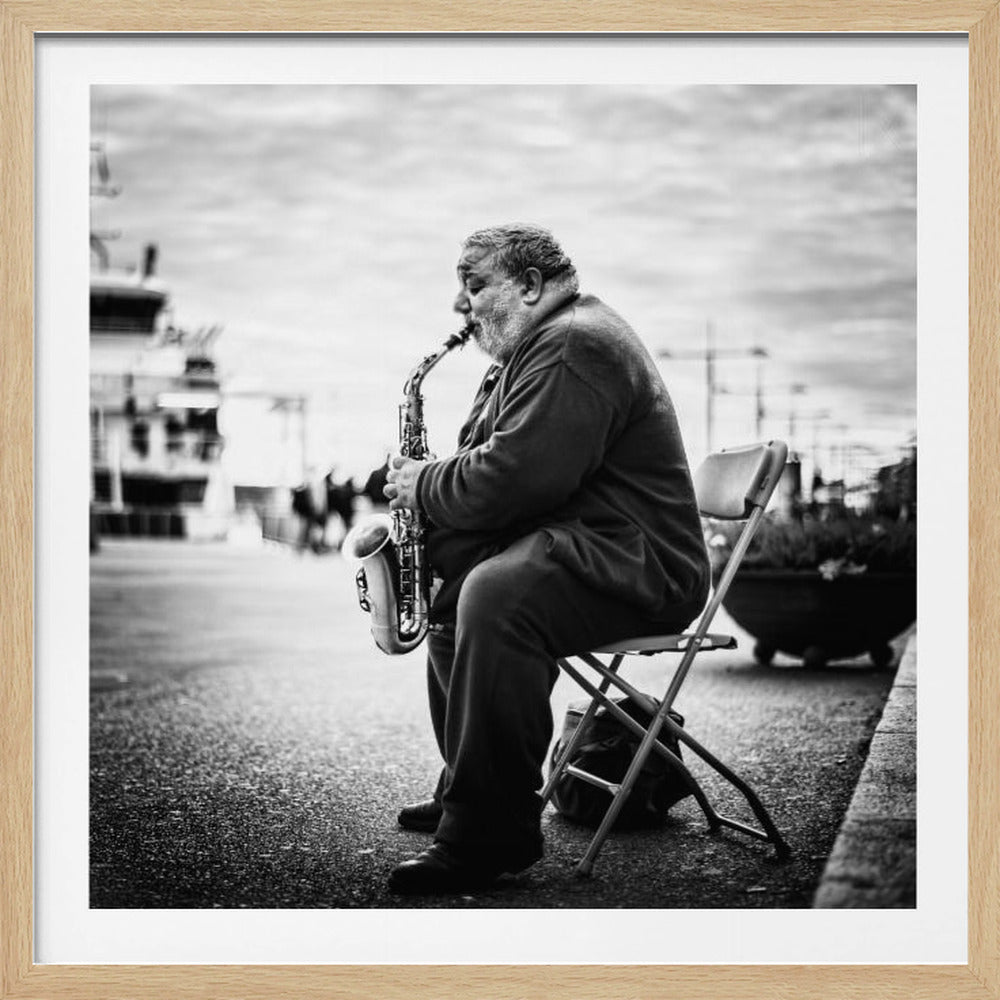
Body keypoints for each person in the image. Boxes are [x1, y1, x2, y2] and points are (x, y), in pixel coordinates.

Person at [383, 224, 710, 894]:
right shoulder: (539, 348)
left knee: (498, 594)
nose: (461, 307)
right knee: (456, 583)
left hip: (643, 564)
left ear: (531, 286)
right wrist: (417, 490)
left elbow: (514, 479)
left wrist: (422, 483)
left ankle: (488, 834)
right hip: (599, 543)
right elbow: (493, 471)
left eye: (474, 285)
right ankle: (467, 792)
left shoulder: (571, 346)